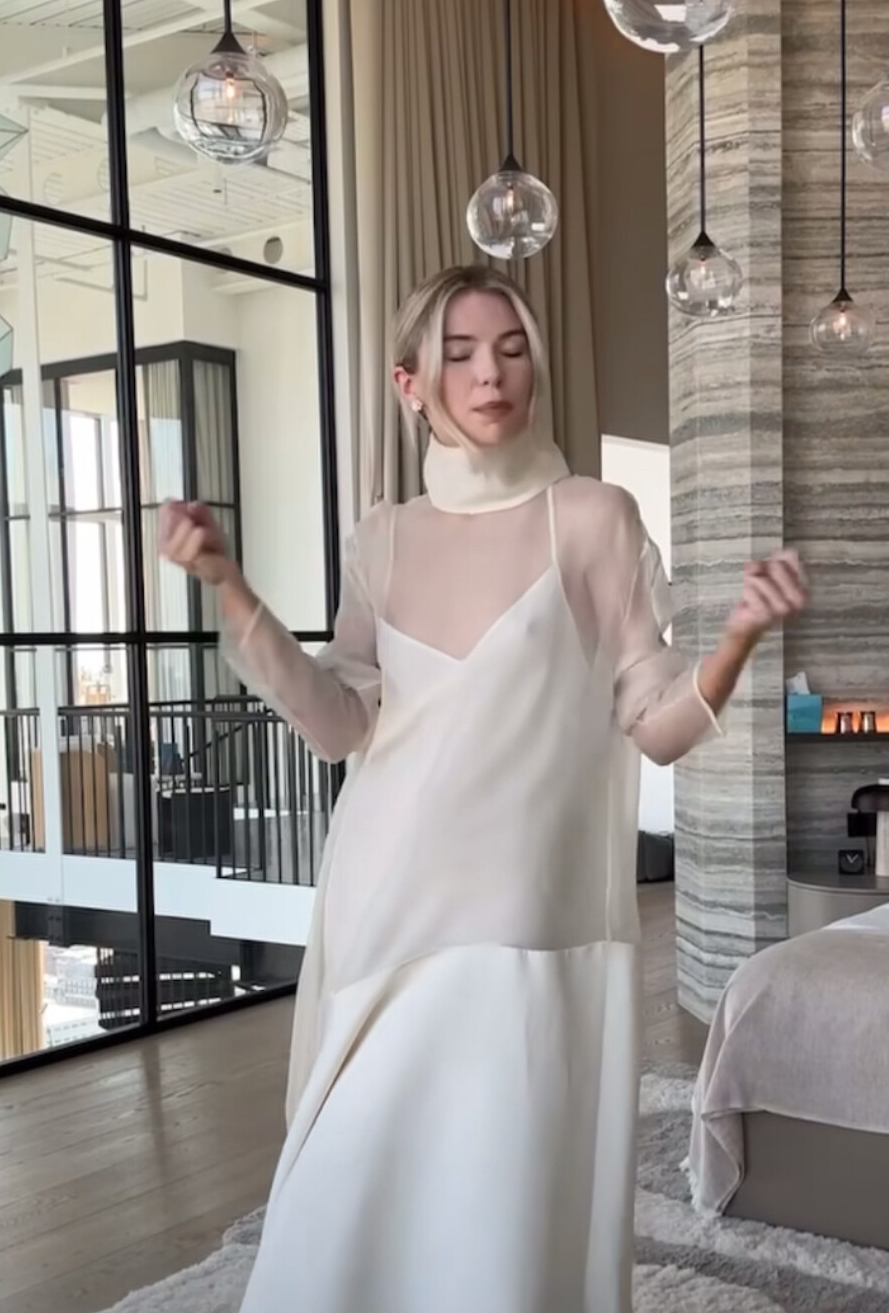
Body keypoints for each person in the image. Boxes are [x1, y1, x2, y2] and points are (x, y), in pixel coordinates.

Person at [159, 265, 807, 1313]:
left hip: (527, 918)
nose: (490, 373)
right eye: (458, 353)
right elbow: (340, 724)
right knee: (338, 1201)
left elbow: (656, 728)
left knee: (496, 1221)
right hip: (384, 904)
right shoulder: (381, 537)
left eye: (510, 349)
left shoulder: (589, 517)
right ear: (409, 383)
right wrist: (230, 589)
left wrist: (735, 638)